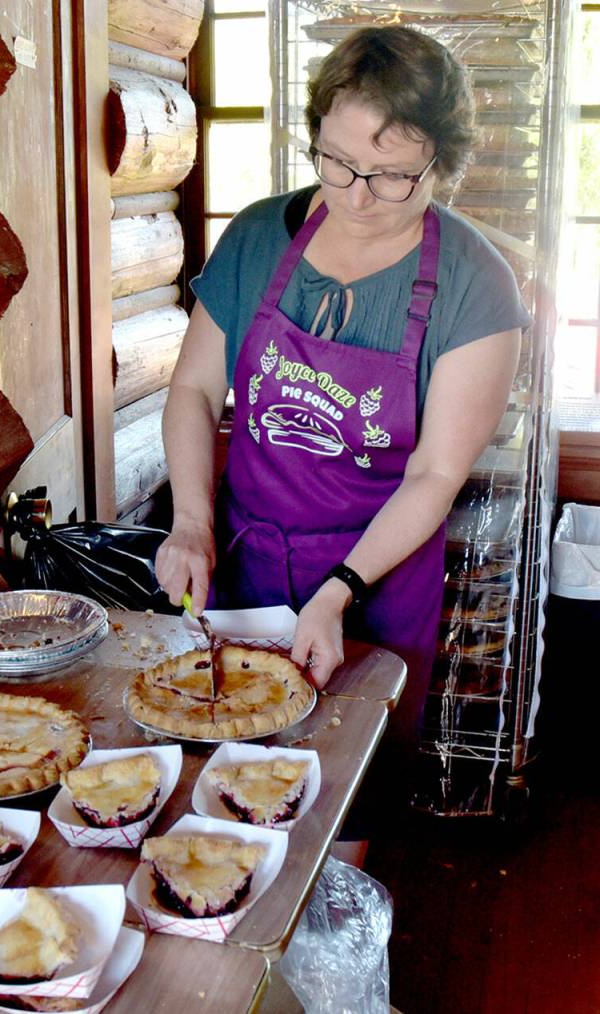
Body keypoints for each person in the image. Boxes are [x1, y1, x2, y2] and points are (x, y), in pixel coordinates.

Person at [156, 25, 532, 842]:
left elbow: (434, 474)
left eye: (393, 174)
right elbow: (191, 388)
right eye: (335, 160)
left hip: (377, 579)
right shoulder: (259, 236)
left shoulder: (476, 286)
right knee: (226, 784)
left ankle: (327, 961)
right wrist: (191, 520)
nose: (355, 194)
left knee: (341, 801)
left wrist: (337, 594)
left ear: (444, 164)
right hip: (246, 556)